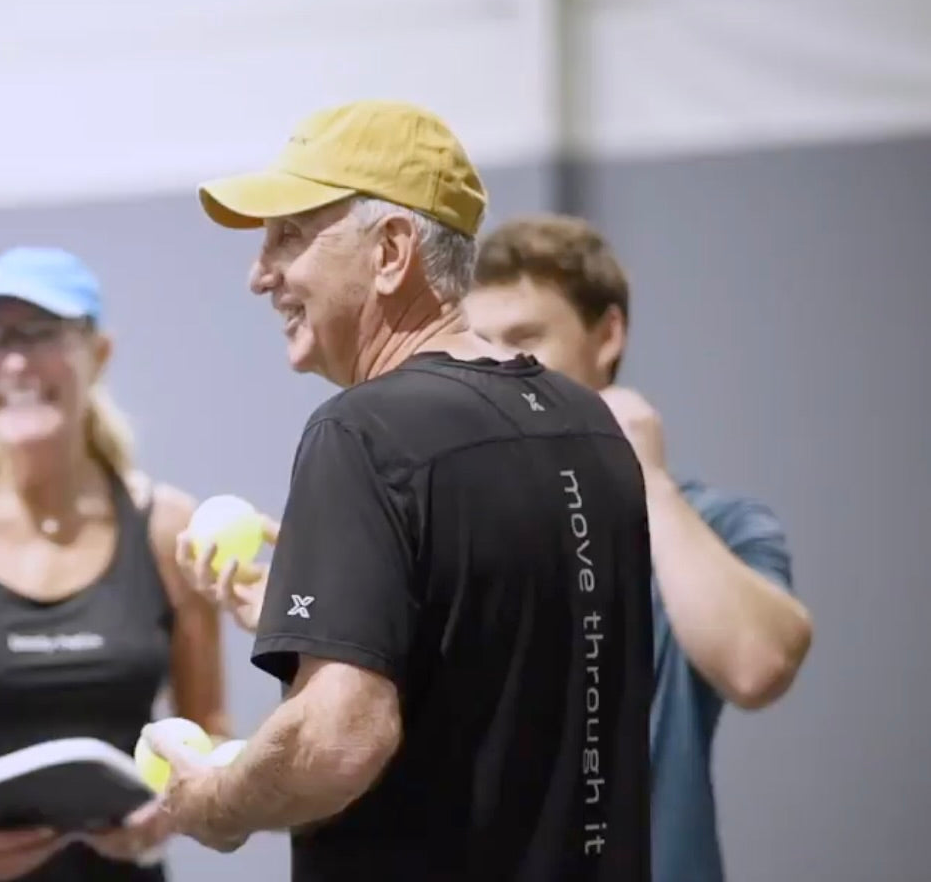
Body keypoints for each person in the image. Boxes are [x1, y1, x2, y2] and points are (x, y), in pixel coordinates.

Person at [144, 100, 655, 881]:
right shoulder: (588, 426)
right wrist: (336, 614)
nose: (260, 275)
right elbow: (501, 671)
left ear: (390, 251)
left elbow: (337, 739)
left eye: (288, 234)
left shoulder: (360, 433)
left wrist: (213, 802)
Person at [0, 246, 230, 881]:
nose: (17, 361)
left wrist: (176, 809)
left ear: (98, 353)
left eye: (43, 333)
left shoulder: (166, 528)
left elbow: (209, 726)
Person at [463, 213, 814, 882]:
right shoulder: (461, 530)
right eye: (484, 343)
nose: (501, 366)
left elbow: (758, 664)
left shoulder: (717, 524)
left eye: (527, 338)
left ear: (609, 334)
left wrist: (645, 481)